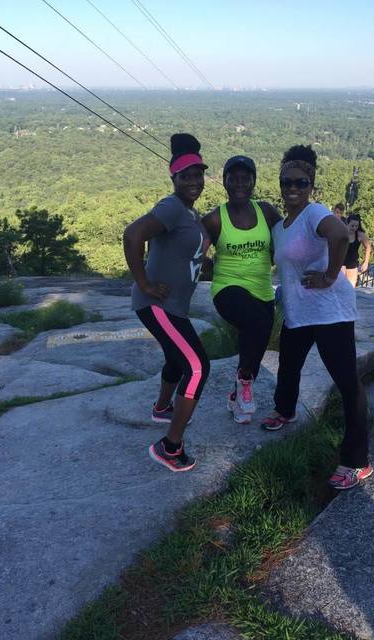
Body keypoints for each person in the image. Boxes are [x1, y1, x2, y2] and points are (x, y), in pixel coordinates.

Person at [262, 144, 373, 491]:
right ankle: (285, 411)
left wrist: (329, 275)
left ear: (311, 184)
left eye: (301, 182)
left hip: (330, 313)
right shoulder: (281, 226)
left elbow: (340, 235)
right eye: (286, 182)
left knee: (347, 382)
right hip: (299, 312)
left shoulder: (314, 213)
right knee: (288, 366)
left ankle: (357, 461)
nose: (292, 188)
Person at [123, 133, 210, 472]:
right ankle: (170, 447)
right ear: (173, 178)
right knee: (198, 367)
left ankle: (162, 408)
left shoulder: (188, 212)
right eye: (186, 176)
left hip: (173, 306)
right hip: (158, 304)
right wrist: (143, 282)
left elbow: (186, 254)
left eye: (198, 175)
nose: (193, 181)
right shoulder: (172, 206)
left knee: (176, 358)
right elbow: (133, 234)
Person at [202, 156, 281, 424]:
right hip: (227, 287)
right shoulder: (215, 218)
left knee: (257, 340)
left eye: (245, 178)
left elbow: (286, 239)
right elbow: (194, 251)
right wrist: (207, 267)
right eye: (233, 178)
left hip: (263, 290)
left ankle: (239, 393)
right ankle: (245, 380)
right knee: (256, 322)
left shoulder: (266, 212)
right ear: (224, 182)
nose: (239, 183)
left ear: (253, 181)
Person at [342, 213, 371, 287]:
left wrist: (366, 262)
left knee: (350, 288)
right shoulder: (341, 233)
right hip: (339, 263)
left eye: (356, 226)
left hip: (352, 264)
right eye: (352, 226)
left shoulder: (360, 235)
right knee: (339, 287)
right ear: (347, 224)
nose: (354, 228)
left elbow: (368, 247)